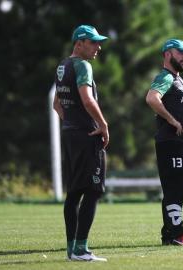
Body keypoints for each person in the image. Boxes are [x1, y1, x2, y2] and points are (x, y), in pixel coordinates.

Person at [53, 25, 109, 261]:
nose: (98, 47)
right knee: (94, 190)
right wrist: (102, 124)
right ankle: (81, 249)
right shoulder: (82, 65)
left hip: (69, 134)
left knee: (74, 192)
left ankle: (71, 249)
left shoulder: (62, 66)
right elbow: (87, 99)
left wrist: (71, 124)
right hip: (87, 136)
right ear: (79, 43)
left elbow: (57, 104)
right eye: (93, 42)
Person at [145, 39, 183, 246]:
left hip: (177, 143)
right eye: (180, 53)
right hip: (170, 142)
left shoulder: (177, 78)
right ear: (168, 54)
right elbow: (151, 98)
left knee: (174, 188)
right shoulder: (165, 77)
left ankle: (170, 234)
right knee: (174, 187)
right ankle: (177, 234)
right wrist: (172, 120)